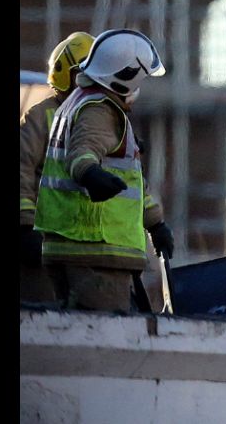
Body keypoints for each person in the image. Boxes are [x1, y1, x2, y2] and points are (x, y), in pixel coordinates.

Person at [34, 28, 174, 312]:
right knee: (101, 339)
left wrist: (155, 224)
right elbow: (82, 153)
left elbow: (130, 181)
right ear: (124, 78)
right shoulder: (100, 110)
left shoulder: (76, 103)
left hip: (72, 247)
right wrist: (89, 173)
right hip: (95, 249)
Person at [20, 32, 94, 302]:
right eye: (83, 74)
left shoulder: (103, 121)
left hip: (85, 249)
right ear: (67, 75)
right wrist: (25, 225)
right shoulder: (42, 117)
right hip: (43, 246)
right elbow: (21, 169)